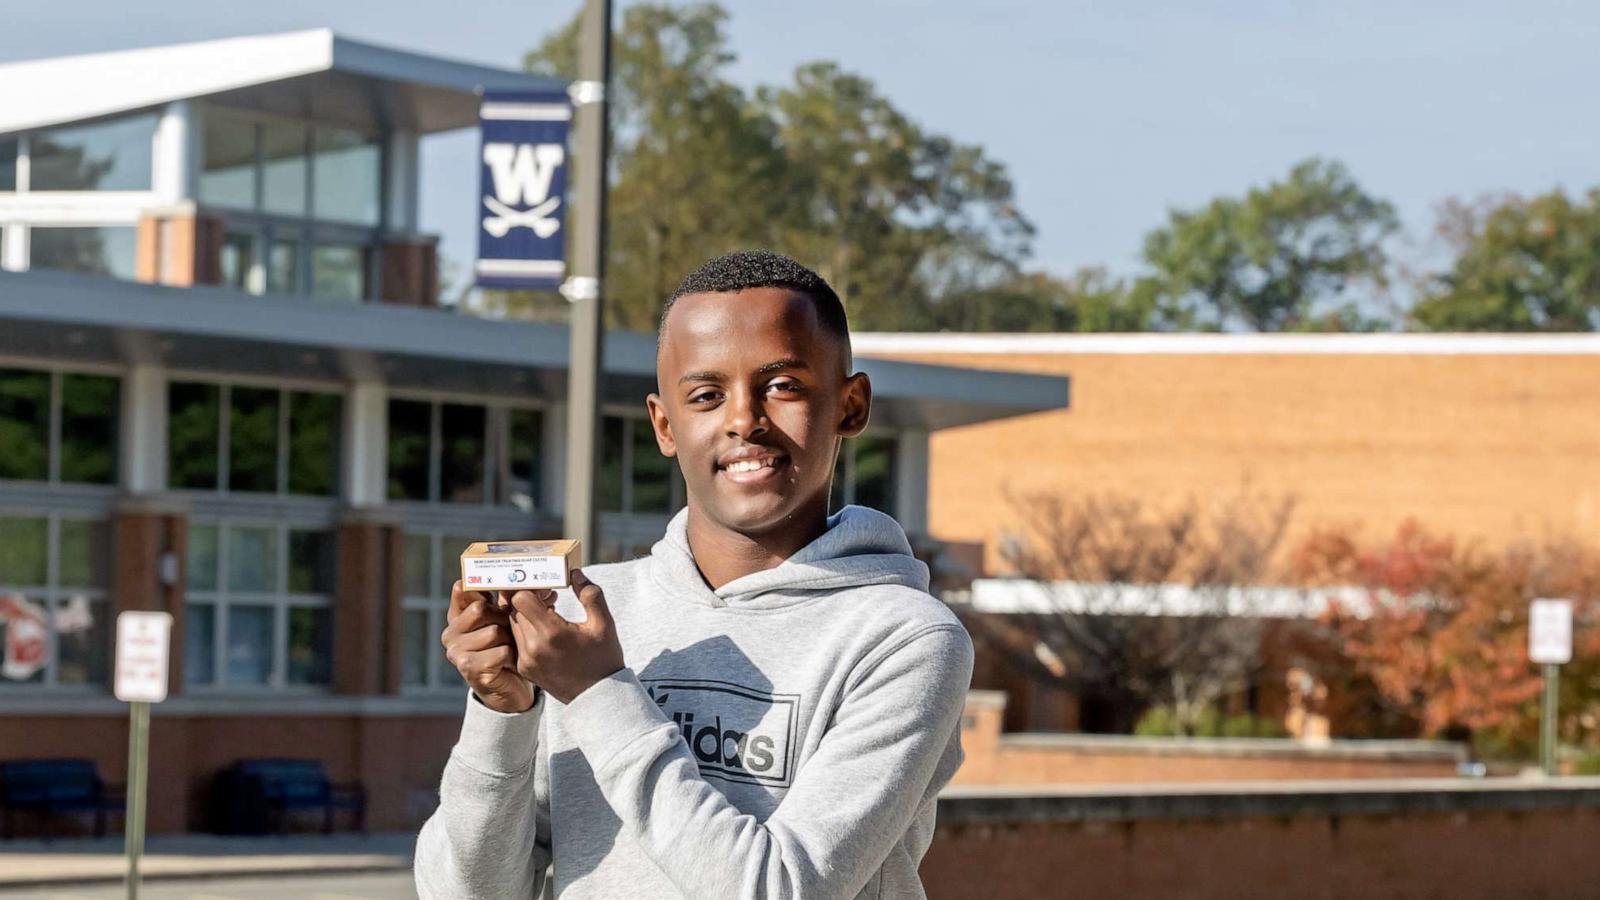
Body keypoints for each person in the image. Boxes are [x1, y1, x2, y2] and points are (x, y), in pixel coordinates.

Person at [414, 249, 974, 899]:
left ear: (850, 406)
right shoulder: (589, 617)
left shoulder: (906, 640)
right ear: (664, 424)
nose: (743, 420)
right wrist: (501, 712)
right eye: (707, 395)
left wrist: (599, 695)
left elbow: (780, 890)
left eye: (783, 386)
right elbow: (465, 893)